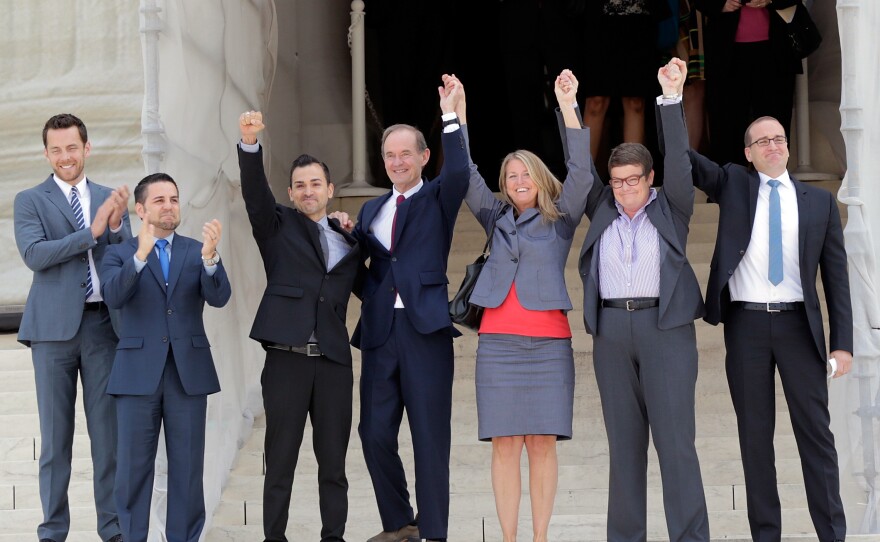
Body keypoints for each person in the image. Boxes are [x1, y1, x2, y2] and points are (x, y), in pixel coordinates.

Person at [659, 60, 853, 542]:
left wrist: (842, 343)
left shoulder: (818, 203)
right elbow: (680, 157)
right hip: (745, 327)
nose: (773, 145)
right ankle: (767, 536)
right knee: (754, 441)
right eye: (762, 140)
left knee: (817, 439)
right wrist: (671, 99)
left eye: (779, 138)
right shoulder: (733, 183)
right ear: (748, 153)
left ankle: (833, 533)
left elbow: (836, 278)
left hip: (798, 329)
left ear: (788, 147)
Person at [574, 58, 710, 541]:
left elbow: (678, 156)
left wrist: (670, 96)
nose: (626, 188)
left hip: (665, 330)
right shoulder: (602, 208)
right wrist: (569, 108)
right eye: (617, 180)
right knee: (624, 450)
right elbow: (577, 169)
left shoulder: (673, 206)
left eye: (633, 179)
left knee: (676, 447)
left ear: (649, 178)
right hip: (612, 332)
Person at [455, 69, 589, 542]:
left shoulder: (562, 218)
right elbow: (465, 175)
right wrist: (458, 116)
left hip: (549, 347)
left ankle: (539, 538)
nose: (517, 180)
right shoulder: (495, 219)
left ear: (538, 178)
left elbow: (583, 173)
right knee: (505, 446)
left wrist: (568, 106)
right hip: (498, 346)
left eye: (524, 173)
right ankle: (509, 538)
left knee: (543, 444)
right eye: (510, 176)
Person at [333, 76, 468, 542]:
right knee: (373, 434)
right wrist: (349, 238)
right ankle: (401, 523)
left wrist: (451, 115)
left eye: (406, 153)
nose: (397, 162)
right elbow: (374, 268)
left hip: (425, 328)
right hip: (379, 330)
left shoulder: (438, 197)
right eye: (390, 155)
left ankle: (433, 533)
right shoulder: (372, 209)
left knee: (430, 439)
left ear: (424, 157)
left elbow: (460, 173)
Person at [237, 110, 362, 542]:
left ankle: (334, 537)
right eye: (300, 185)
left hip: (333, 363)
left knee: (334, 464)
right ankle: (275, 538)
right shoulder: (277, 227)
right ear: (291, 193)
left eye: (316, 184)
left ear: (330, 189)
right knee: (281, 460)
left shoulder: (348, 238)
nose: (309, 191)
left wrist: (352, 233)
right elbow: (255, 195)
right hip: (286, 361)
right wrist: (250, 144)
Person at [14, 113, 130, 542]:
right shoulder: (30, 200)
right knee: (55, 441)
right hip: (50, 333)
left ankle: (113, 528)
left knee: (108, 438)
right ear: (46, 153)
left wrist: (115, 226)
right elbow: (35, 254)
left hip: (103, 327)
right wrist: (93, 230)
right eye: (56, 149)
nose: (65, 156)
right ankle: (52, 531)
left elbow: (124, 259)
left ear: (87, 148)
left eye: (72, 147)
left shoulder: (106, 197)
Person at [100, 173, 231, 542]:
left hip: (187, 374)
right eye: (159, 200)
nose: (169, 206)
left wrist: (210, 260)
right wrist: (140, 254)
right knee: (132, 471)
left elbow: (220, 297)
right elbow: (113, 295)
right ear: (140, 209)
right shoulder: (119, 252)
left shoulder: (196, 249)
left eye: (173, 199)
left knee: (188, 469)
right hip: (136, 374)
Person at [696, 0, 802, 166]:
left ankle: (773, 182)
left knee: (773, 122)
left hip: (775, 51)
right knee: (727, 123)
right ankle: (729, 183)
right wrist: (719, 4)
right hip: (726, 52)